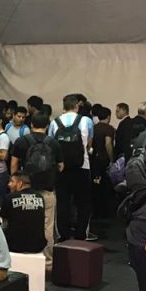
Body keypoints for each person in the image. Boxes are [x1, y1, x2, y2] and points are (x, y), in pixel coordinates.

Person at [10, 112, 61, 265]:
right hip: (47, 190)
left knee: (24, 222)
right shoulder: (53, 143)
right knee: (47, 226)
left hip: (26, 190)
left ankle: (25, 258)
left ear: (31, 124)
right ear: (47, 125)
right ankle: (47, 262)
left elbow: (14, 164)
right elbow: (61, 166)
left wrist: (15, 183)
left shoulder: (21, 141)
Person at [47, 94, 94, 241]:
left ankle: (63, 235)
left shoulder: (54, 123)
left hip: (61, 168)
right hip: (82, 167)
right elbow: (89, 145)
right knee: (83, 203)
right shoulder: (86, 121)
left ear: (63, 107)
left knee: (62, 203)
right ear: (77, 106)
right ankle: (81, 235)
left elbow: (51, 145)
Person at [0, 172, 46, 255]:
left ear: (20, 183)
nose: (9, 184)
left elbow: (4, 223)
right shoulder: (40, 197)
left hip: (15, 246)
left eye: (12, 181)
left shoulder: (9, 198)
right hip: (38, 246)